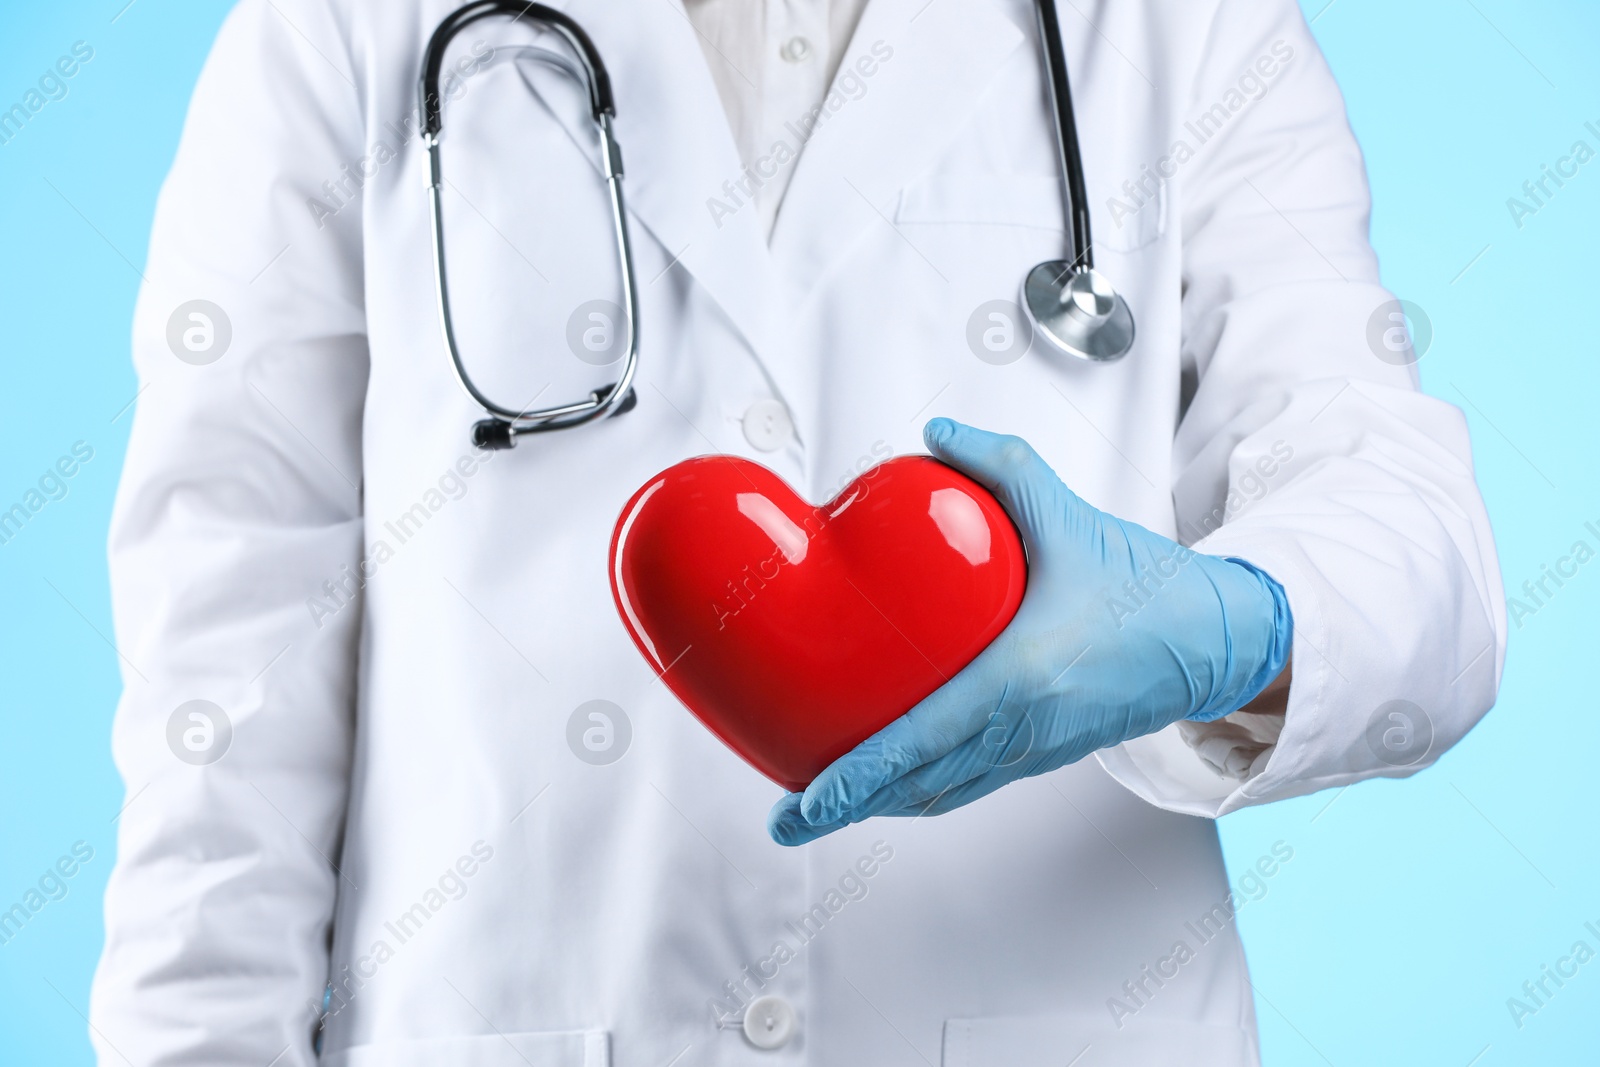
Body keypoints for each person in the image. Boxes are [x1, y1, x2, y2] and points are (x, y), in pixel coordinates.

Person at [90, 0, 1505, 1063]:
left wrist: (1230, 627)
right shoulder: (340, 27)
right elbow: (228, 645)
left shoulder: (1171, 28)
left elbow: (1405, 525)